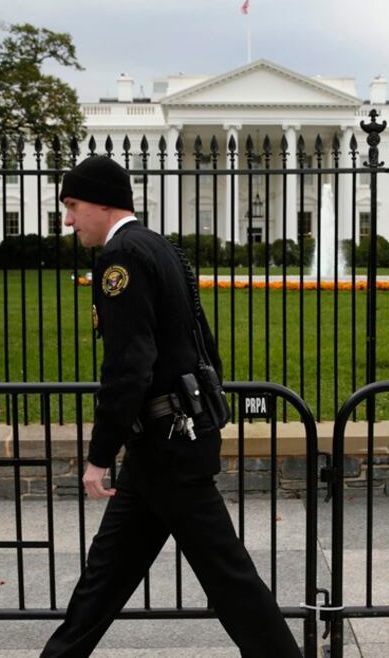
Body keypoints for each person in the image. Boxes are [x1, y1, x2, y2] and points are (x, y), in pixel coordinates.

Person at [42, 155, 300, 657]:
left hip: (168, 448)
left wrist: (99, 456)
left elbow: (129, 364)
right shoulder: (160, 246)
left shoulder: (121, 258)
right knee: (105, 578)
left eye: (72, 206)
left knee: (229, 579)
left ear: (101, 202)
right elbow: (202, 338)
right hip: (169, 441)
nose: (69, 219)